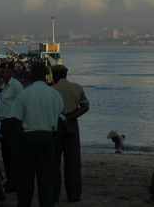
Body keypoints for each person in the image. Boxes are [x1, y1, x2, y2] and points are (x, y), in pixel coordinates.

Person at [9, 62, 69, 207]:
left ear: (33, 74)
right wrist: (53, 137)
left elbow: (17, 122)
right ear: (45, 75)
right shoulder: (55, 94)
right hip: (47, 137)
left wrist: (18, 142)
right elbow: (61, 119)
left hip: (28, 137)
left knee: (25, 178)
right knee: (46, 178)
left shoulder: (24, 93)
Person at [51, 64, 90, 203]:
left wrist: (63, 119)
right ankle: (73, 195)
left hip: (56, 124)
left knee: (54, 161)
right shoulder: (77, 87)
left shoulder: (53, 89)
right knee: (73, 162)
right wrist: (70, 118)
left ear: (54, 75)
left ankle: (54, 194)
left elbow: (53, 110)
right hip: (72, 123)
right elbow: (85, 107)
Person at [0, 61, 23, 192]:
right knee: (6, 155)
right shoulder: (5, 86)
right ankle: (9, 181)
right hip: (4, 123)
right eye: (2, 72)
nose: (4, 74)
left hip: (13, 124)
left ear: (13, 72)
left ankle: (15, 183)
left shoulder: (16, 86)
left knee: (13, 156)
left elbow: (23, 105)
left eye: (7, 72)